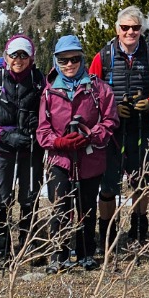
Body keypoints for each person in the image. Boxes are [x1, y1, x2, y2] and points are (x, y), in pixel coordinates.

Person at [37, 34, 118, 272]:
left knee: (87, 208)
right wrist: (59, 142)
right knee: (60, 207)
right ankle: (59, 254)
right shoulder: (49, 93)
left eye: (74, 59)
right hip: (60, 160)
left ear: (82, 59)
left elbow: (110, 121)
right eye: (63, 60)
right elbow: (42, 130)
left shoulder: (99, 89)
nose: (69, 65)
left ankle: (86, 253)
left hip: (90, 158)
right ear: (56, 62)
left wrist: (89, 135)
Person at [89, 6, 149, 252]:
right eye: (125, 28)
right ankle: (107, 234)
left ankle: (138, 231)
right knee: (109, 185)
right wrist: (111, 110)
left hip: (142, 129)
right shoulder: (103, 56)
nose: (130, 32)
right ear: (117, 30)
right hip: (111, 133)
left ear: (141, 29)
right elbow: (91, 94)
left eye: (135, 27)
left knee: (140, 182)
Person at [0, 34, 46, 268]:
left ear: (31, 57)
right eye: (14, 54)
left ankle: (26, 246)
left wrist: (37, 131)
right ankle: (3, 252)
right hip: (1, 151)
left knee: (29, 199)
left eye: (24, 54)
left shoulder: (39, 81)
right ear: (6, 56)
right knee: (3, 200)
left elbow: (49, 114)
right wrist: (4, 135)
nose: (19, 59)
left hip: (31, 149)